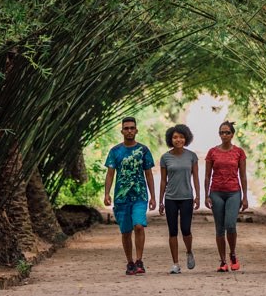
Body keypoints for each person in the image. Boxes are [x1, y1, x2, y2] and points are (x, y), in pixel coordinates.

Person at [103, 117, 156, 275]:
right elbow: (110, 174)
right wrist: (106, 193)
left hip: (139, 196)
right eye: (126, 128)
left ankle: (139, 260)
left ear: (136, 130)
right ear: (122, 131)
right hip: (121, 198)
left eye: (132, 128)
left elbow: (149, 174)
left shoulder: (144, 150)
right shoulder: (115, 151)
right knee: (126, 232)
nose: (129, 131)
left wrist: (153, 196)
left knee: (139, 226)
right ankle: (130, 262)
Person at [203, 120, 248, 272]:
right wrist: (206, 195)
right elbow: (207, 175)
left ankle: (233, 254)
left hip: (233, 192)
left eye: (227, 132)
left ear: (232, 134)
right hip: (216, 192)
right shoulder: (212, 152)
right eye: (222, 132)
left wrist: (245, 196)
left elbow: (243, 176)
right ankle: (222, 261)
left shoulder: (239, 152)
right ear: (219, 134)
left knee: (230, 225)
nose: (224, 135)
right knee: (219, 228)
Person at [158, 124, 201, 274]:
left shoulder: (191, 156)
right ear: (171, 139)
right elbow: (163, 180)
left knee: (186, 229)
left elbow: (196, 178)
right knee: (173, 231)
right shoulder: (165, 158)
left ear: (186, 138)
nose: (178, 140)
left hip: (187, 197)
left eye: (181, 137)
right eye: (175, 137)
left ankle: (189, 251)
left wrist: (198, 196)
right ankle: (175, 264)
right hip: (170, 198)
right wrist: (161, 201)